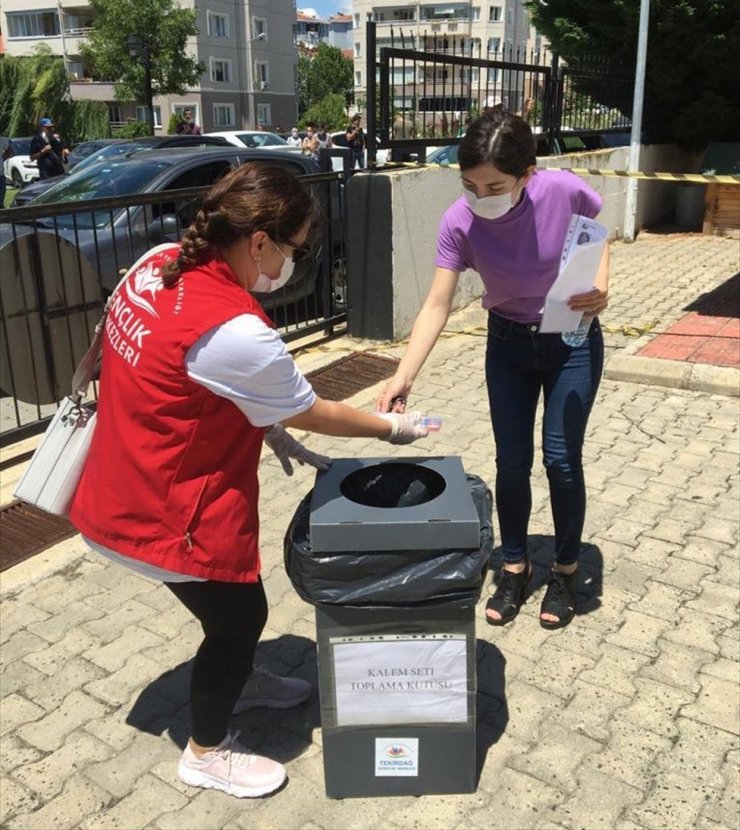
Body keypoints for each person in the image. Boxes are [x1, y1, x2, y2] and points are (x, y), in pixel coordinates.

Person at [69, 162, 435, 800]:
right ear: (259, 240)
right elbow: (312, 409)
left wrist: (266, 429)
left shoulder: (159, 263)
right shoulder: (235, 329)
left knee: (228, 615)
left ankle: (235, 675)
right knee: (241, 618)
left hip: (118, 481)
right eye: (294, 250)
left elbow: (184, 376)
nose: (293, 263)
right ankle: (206, 753)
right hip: (163, 510)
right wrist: (390, 429)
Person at [376, 109, 608, 631]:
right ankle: (515, 567)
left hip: (571, 339)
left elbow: (597, 233)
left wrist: (602, 286)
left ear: (528, 174)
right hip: (507, 344)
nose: (481, 197)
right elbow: (437, 304)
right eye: (470, 185)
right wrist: (403, 374)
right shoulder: (458, 222)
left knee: (561, 460)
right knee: (511, 461)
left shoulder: (562, 190)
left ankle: (566, 571)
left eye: (495, 186)